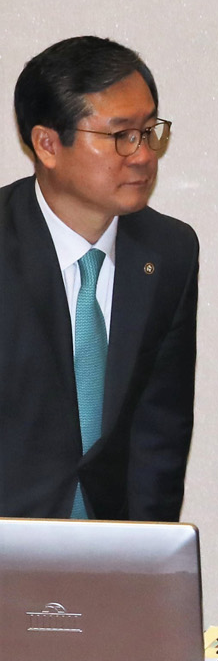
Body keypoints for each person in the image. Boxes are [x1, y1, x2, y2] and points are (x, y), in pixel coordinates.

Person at [2, 36, 196, 520]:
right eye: (120, 135)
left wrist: (144, 550)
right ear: (48, 144)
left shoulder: (169, 252)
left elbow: (161, 430)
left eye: (149, 131)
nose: (143, 155)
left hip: (113, 543)